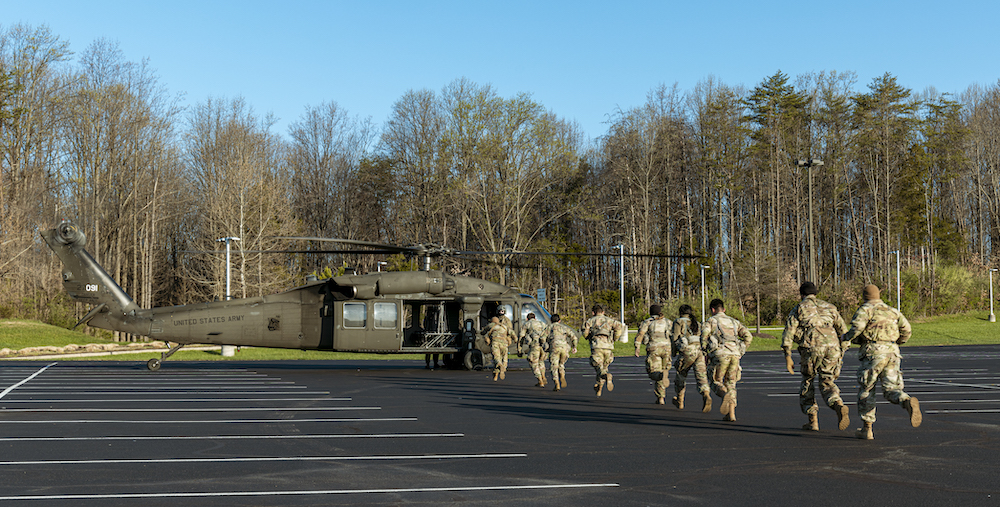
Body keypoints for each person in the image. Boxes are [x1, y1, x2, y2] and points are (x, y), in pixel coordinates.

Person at [842, 284, 922, 440]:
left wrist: (846, 337)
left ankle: (867, 428)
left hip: (873, 353)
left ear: (864, 296)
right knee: (891, 388)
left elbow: (857, 327)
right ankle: (905, 401)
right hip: (892, 352)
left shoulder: (865, 310)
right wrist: (897, 342)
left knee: (867, 389)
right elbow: (907, 330)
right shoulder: (892, 311)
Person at [781, 282, 850, 431]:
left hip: (811, 348)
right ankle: (837, 404)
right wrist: (841, 351)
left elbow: (789, 332)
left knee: (808, 381)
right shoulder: (830, 307)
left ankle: (813, 421)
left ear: (802, 294)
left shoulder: (799, 308)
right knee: (827, 381)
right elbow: (844, 331)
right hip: (833, 348)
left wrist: (788, 355)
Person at [701, 298, 753, 421]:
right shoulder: (734, 322)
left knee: (715, 381)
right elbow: (748, 336)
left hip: (720, 354)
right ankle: (731, 414)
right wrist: (741, 349)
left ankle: (724, 394)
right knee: (731, 383)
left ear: (713, 310)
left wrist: (705, 350)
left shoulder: (711, 321)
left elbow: (704, 335)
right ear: (724, 309)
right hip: (734, 355)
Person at [670, 304, 712, 412]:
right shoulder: (697, 323)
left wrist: (673, 353)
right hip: (699, 351)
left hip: (687, 351)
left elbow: (675, 337)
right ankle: (706, 394)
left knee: (681, 374)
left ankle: (680, 400)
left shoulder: (679, 322)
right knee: (701, 376)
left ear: (680, 312)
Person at [634, 304, 673, 404]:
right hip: (666, 349)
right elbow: (674, 334)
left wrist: (637, 347)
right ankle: (661, 397)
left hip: (654, 349)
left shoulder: (648, 322)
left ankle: (661, 393)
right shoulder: (668, 322)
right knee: (663, 370)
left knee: (653, 372)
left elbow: (641, 334)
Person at [583, 304, 625, 397]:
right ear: (603, 312)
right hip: (608, 347)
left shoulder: (590, 321)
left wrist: (588, 337)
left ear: (593, 313)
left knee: (598, 367)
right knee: (604, 368)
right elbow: (619, 327)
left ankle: (606, 377)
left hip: (597, 346)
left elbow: (585, 333)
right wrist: (614, 338)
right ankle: (599, 388)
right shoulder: (610, 320)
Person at [546, 314, 578, 391]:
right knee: (561, 364)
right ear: (559, 321)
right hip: (564, 348)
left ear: (551, 321)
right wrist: (574, 346)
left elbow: (542, 337)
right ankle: (562, 375)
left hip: (555, 347)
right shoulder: (564, 327)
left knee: (554, 366)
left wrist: (544, 345)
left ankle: (557, 383)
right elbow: (574, 337)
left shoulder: (549, 327)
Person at [520, 312, 549, 387]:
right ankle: (543, 376)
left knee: (533, 362)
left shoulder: (527, 324)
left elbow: (521, 336)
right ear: (535, 318)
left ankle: (540, 380)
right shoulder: (542, 323)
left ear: (527, 318)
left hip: (534, 346)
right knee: (541, 361)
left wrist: (519, 348)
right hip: (543, 345)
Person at [483, 316, 512, 381]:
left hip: (495, 343)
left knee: (496, 357)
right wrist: (515, 339)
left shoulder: (491, 325)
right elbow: (511, 332)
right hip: (504, 343)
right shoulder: (504, 326)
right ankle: (503, 368)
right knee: (504, 357)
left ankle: (499, 365)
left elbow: (483, 331)